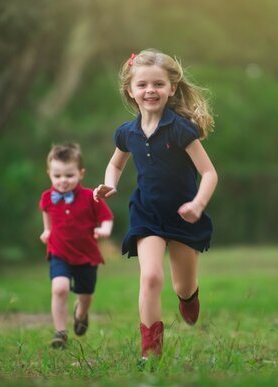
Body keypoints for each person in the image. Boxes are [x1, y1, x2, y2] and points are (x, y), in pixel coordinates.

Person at [93, 49, 217, 359]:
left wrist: (198, 204)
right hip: (146, 213)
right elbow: (116, 165)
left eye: (158, 84)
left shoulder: (180, 129)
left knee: (182, 285)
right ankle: (151, 351)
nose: (151, 90)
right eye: (143, 85)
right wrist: (110, 183)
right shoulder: (127, 133)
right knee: (149, 277)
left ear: (172, 88)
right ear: (131, 91)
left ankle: (188, 298)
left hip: (184, 215)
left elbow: (209, 173)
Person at [40, 142, 114, 348]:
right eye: (57, 176)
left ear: (81, 174)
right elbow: (47, 213)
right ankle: (60, 332)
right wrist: (47, 230)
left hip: (86, 255)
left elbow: (106, 216)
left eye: (69, 175)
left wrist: (105, 230)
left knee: (85, 295)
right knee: (60, 288)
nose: (63, 181)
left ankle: (81, 314)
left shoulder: (91, 197)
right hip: (59, 252)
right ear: (49, 174)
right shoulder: (47, 197)